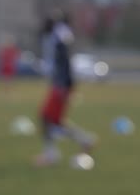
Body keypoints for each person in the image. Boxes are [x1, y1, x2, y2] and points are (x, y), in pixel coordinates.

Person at [34, 11, 95, 167]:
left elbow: (64, 64)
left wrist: (61, 85)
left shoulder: (58, 40)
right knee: (52, 120)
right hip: (60, 84)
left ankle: (52, 154)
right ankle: (85, 140)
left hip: (61, 85)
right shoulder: (58, 38)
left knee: (46, 118)